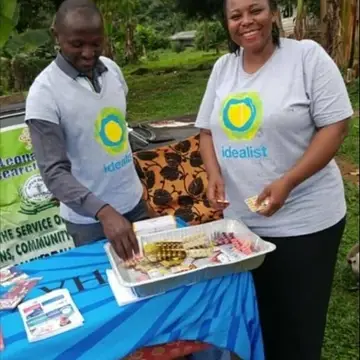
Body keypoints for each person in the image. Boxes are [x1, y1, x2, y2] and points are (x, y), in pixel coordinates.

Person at [195, 0, 353, 359]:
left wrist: (289, 181)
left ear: (274, 13)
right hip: (240, 228)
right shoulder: (223, 68)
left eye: (256, 10)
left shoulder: (305, 58)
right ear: (227, 22)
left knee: (296, 328)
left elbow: (337, 125)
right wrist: (214, 174)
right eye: (236, 15)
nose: (246, 22)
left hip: (304, 224)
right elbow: (206, 132)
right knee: (254, 322)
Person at [25, 0, 151, 261]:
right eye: (77, 44)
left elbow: (119, 131)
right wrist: (104, 212)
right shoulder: (44, 94)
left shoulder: (113, 71)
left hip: (134, 204)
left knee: (148, 278)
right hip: (89, 223)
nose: (88, 53)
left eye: (96, 43)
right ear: (56, 36)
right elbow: (54, 172)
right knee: (108, 293)